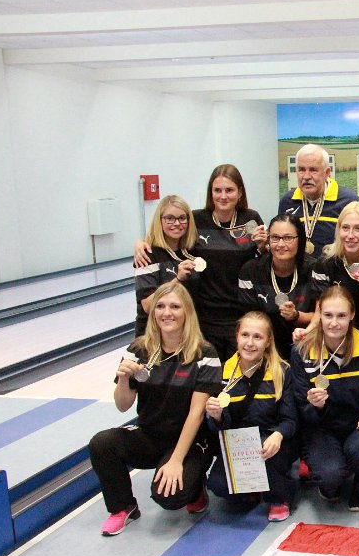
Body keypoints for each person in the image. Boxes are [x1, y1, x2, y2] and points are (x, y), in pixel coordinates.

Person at [89, 280, 222, 536]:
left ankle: (195, 487)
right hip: (150, 435)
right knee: (102, 443)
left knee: (170, 497)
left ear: (187, 312)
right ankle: (123, 507)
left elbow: (196, 414)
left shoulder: (204, 353)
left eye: (175, 306)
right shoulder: (138, 349)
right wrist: (124, 379)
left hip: (190, 440)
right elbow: (122, 405)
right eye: (160, 306)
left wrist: (176, 461)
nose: (166, 313)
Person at [135, 164, 267, 362]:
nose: (223, 196)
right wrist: (141, 243)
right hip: (203, 317)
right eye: (217, 190)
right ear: (210, 193)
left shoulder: (251, 218)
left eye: (229, 190)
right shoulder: (196, 219)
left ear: (240, 192)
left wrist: (264, 246)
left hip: (240, 314)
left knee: (237, 373)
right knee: (209, 372)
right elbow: (171, 234)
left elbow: (263, 259)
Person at [291, 286, 359, 511]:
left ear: (352, 315)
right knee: (330, 476)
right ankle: (335, 474)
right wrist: (317, 407)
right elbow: (301, 405)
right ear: (319, 314)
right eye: (328, 315)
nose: (334, 323)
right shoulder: (302, 351)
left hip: (358, 425)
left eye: (341, 316)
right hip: (321, 429)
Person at [205, 312, 298, 522]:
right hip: (240, 445)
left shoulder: (282, 372)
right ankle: (253, 488)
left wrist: (278, 435)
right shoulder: (222, 373)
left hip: (272, 442)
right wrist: (216, 417)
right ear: (236, 336)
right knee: (218, 485)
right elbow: (215, 429)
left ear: (268, 341)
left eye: (258, 337)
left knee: (270, 461)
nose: (250, 343)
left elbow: (291, 420)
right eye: (245, 335)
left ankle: (280, 496)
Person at [308, 202, 359, 337]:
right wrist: (307, 331)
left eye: (358, 228)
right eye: (345, 228)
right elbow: (320, 309)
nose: (350, 235)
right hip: (336, 333)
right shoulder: (325, 262)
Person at [239, 214, 313, 359]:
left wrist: (296, 316)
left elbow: (321, 314)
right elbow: (250, 318)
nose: (280, 244)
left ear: (300, 240)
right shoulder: (251, 271)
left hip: (306, 345)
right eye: (275, 238)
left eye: (288, 238)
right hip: (263, 349)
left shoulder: (314, 269)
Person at [278, 143, 359, 261]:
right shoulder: (287, 201)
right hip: (298, 270)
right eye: (301, 170)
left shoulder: (349, 201)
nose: (306, 176)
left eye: (313, 170)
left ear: (327, 173)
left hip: (336, 270)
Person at [134, 195, 197, 336]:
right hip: (153, 335)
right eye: (170, 218)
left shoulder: (192, 251)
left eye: (182, 218)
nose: (177, 223)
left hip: (185, 332)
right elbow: (148, 305)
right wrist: (178, 279)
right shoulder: (147, 255)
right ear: (160, 220)